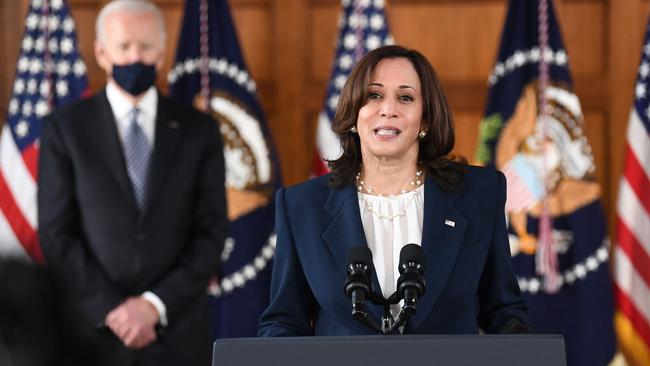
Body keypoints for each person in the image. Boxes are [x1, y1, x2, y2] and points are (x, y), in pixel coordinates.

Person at [258, 45, 528, 336]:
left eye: (405, 97)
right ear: (354, 114)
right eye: (374, 95)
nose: (388, 110)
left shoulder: (478, 194)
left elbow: (503, 312)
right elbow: (283, 323)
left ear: (425, 119)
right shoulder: (303, 206)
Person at [37, 1, 228, 365]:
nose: (135, 56)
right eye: (124, 47)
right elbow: (56, 232)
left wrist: (153, 306)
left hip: (178, 333)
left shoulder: (199, 129)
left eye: (145, 46)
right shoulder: (65, 128)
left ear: (161, 52)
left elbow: (212, 230)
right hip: (90, 333)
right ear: (101, 53)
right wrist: (112, 309)